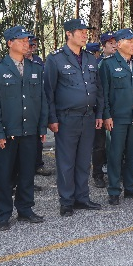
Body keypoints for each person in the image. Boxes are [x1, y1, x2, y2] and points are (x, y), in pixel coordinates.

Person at [0, 25, 47, 231]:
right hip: (7, 132)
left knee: (27, 173)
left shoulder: (36, 69)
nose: (26, 44)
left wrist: (42, 127)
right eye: (21, 40)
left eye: (27, 40)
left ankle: (25, 209)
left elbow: (42, 100)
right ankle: (3, 214)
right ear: (10, 43)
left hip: (29, 130)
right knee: (4, 175)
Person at [44, 18, 104, 217]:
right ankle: (67, 201)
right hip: (66, 118)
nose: (85, 34)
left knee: (84, 160)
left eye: (86, 31)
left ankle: (82, 197)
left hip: (88, 117)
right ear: (68, 34)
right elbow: (49, 92)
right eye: (80, 31)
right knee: (66, 161)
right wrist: (51, 118)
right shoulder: (55, 59)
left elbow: (98, 89)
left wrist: (99, 113)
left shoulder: (90, 58)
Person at [98, 29, 133, 205]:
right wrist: (106, 115)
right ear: (119, 43)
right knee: (115, 155)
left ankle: (132, 188)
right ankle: (114, 191)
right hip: (117, 118)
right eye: (130, 41)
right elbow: (103, 93)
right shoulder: (108, 64)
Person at [92, 31, 117, 189]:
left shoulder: (120, 62)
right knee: (100, 145)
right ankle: (98, 174)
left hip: (117, 110)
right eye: (110, 43)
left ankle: (116, 172)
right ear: (103, 46)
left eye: (116, 42)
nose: (114, 46)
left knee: (116, 144)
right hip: (101, 111)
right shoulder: (98, 64)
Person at [26, 36, 53, 179]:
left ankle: (38, 165)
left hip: (36, 106)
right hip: (24, 108)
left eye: (33, 46)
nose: (30, 49)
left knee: (38, 139)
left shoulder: (38, 62)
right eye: (29, 45)